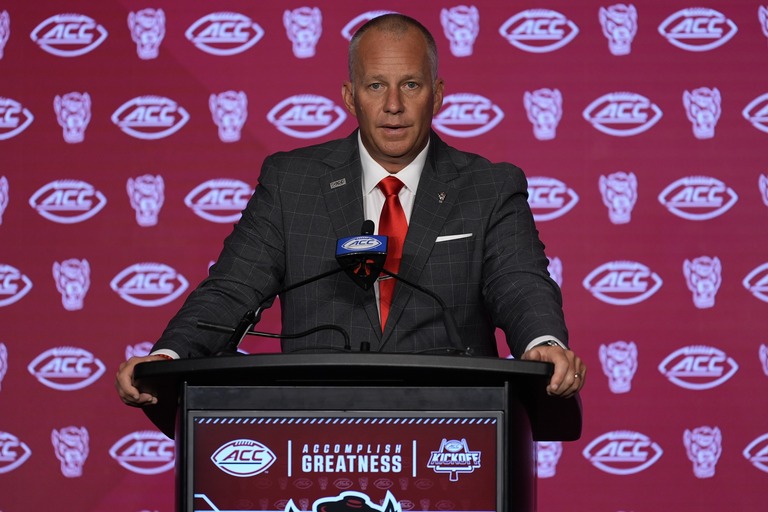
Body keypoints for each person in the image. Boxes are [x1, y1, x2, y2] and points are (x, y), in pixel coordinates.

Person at [116, 14, 586, 407]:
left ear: (438, 94)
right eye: (376, 85)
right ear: (349, 96)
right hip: (316, 429)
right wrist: (170, 357)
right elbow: (233, 288)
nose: (394, 105)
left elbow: (519, 282)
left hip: (452, 430)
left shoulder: (489, 186)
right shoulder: (291, 182)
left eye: (411, 84)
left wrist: (542, 343)